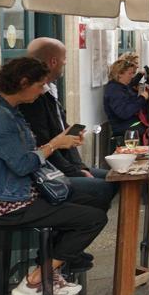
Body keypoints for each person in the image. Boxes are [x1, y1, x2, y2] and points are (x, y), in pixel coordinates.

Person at [0, 57, 107, 295]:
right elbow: (22, 164)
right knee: (94, 218)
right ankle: (37, 278)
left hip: (24, 193)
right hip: (6, 204)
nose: (43, 89)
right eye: (40, 84)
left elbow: (30, 154)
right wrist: (56, 144)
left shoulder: (9, 112)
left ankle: (54, 264)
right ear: (23, 82)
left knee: (95, 199)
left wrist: (61, 141)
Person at [19, 38, 114, 213]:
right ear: (53, 61)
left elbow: (61, 133)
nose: (65, 63)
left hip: (63, 165)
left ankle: (81, 220)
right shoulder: (32, 99)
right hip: (47, 173)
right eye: (64, 60)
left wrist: (80, 167)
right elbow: (44, 145)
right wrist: (75, 172)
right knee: (103, 189)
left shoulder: (50, 90)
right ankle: (72, 227)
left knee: (113, 179)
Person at [103, 55, 149, 138]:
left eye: (132, 73)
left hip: (132, 126)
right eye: (129, 73)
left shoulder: (123, 87)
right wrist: (142, 98)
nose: (132, 76)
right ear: (120, 74)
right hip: (126, 130)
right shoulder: (114, 90)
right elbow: (124, 112)